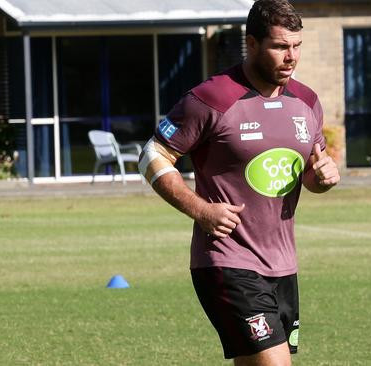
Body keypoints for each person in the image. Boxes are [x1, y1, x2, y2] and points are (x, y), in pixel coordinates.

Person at [138, 0, 340, 364]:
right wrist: (201, 210)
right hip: (226, 261)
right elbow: (152, 156)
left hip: (282, 265)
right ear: (251, 44)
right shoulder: (212, 98)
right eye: (280, 46)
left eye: (297, 46)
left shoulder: (307, 101)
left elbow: (311, 172)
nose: (291, 57)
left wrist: (322, 177)